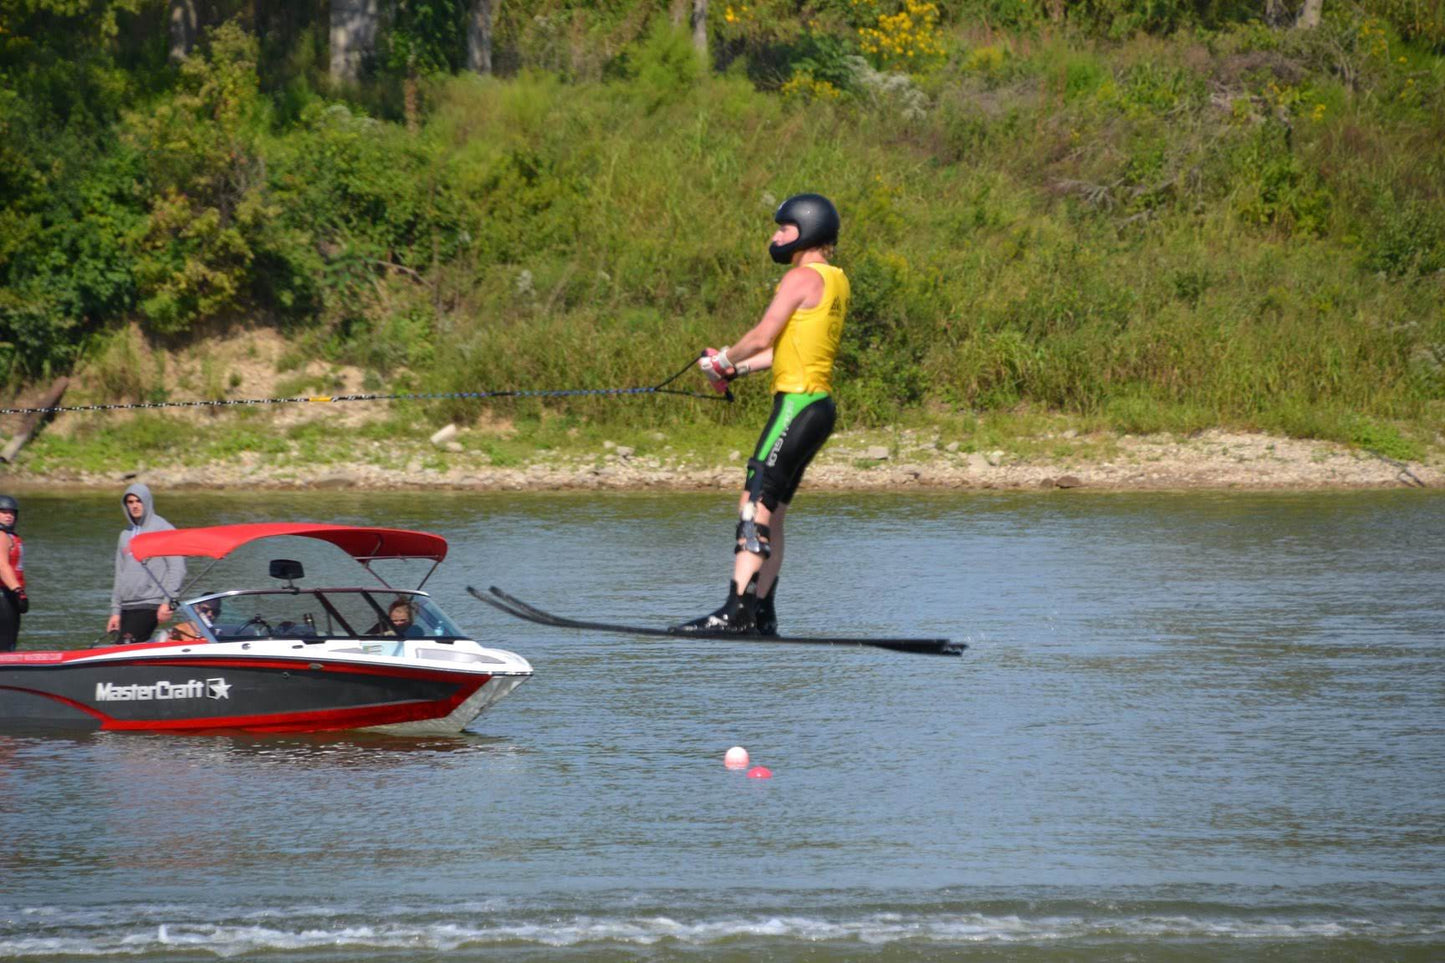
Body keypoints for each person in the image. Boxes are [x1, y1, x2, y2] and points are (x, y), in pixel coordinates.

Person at [674, 193, 849, 636]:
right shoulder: (835, 280)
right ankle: (762, 612)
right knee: (775, 510)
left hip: (795, 404)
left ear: (805, 231)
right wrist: (735, 369)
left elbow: (762, 334)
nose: (775, 236)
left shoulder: (800, 277)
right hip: (818, 408)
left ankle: (735, 611)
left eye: (782, 228)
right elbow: (782, 350)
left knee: (754, 504)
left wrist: (721, 360)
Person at [106, 483, 185, 644]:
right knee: (120, 649)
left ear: (147, 502)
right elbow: (120, 574)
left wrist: (168, 602)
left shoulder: (164, 529)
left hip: (151, 603)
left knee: (126, 648)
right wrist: (116, 611)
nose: (134, 506)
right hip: (127, 605)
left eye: (138, 501)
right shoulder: (125, 535)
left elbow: (178, 568)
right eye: (130, 502)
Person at [0, 495, 27, 652]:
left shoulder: (10, 536)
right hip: (4, 594)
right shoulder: (1, 536)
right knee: (5, 639)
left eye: (12, 513)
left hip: (8, 594)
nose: (8, 516)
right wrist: (18, 591)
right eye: (3, 512)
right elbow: (2, 565)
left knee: (9, 639)